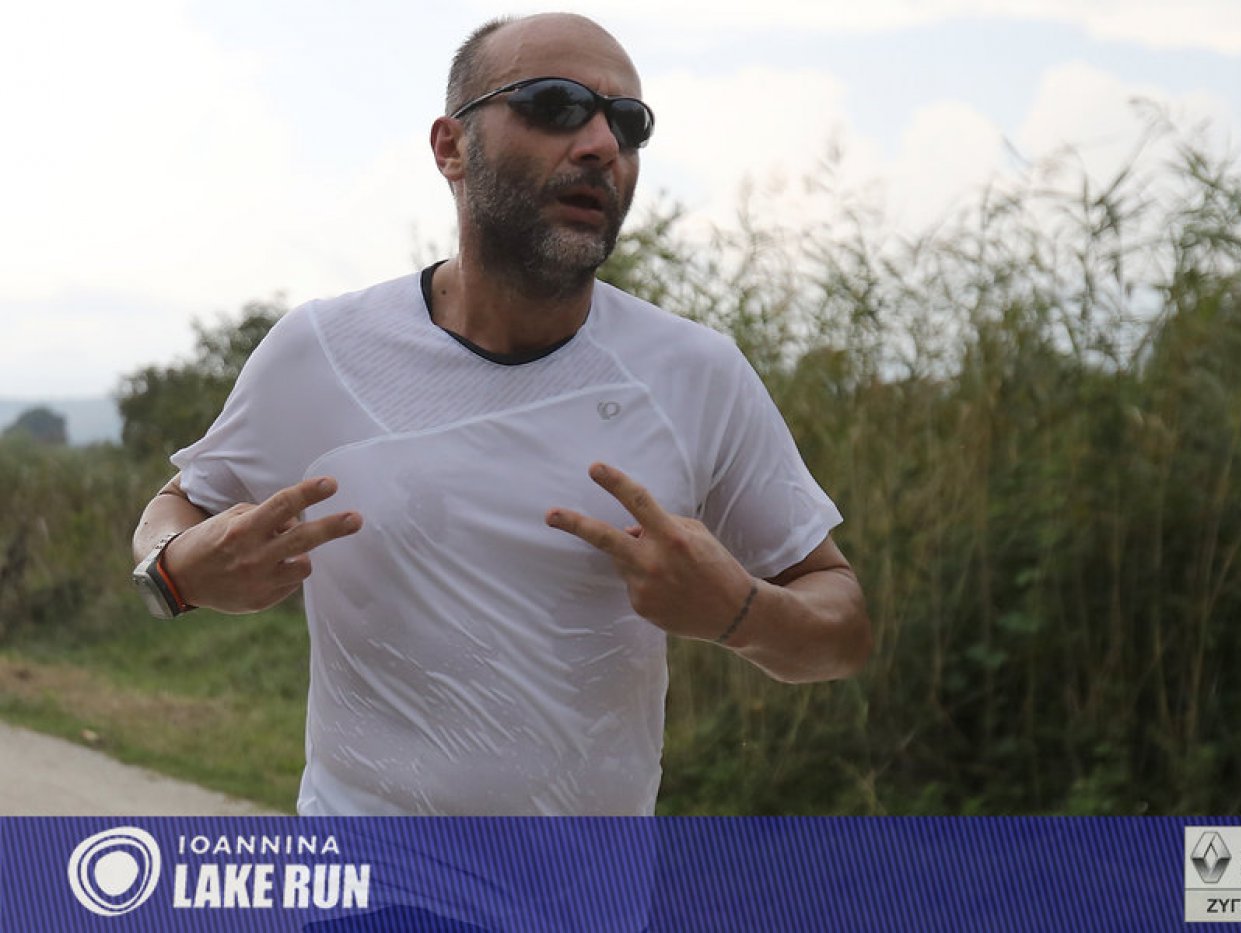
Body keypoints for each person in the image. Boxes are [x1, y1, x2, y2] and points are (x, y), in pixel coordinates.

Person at [131, 11, 870, 817]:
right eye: (555, 105)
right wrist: (174, 572)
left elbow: (841, 624)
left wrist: (739, 612)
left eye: (629, 123)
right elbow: (178, 508)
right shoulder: (322, 349)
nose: (601, 144)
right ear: (451, 147)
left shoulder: (697, 374)